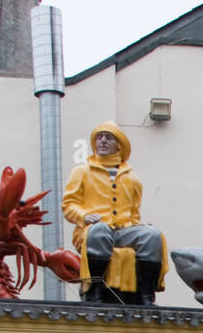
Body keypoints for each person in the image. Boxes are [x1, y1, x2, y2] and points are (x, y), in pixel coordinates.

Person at [62, 122, 166, 304]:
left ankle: (146, 293)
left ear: (119, 144)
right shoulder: (81, 172)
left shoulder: (133, 179)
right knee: (100, 231)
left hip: (124, 231)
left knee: (152, 236)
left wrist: (136, 228)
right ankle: (94, 290)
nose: (102, 141)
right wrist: (84, 217)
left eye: (108, 137)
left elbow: (134, 214)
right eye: (99, 137)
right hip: (92, 231)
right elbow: (69, 205)